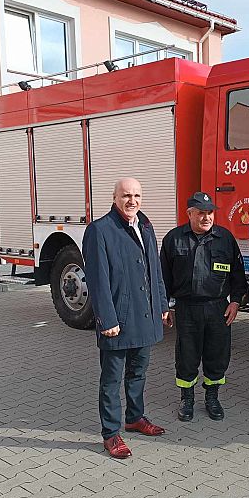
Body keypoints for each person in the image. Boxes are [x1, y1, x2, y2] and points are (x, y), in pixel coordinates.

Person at [82, 177, 169, 459]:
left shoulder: (145, 225)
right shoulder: (100, 230)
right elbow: (98, 281)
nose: (132, 201)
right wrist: (106, 319)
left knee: (138, 373)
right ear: (114, 197)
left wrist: (163, 304)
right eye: (126, 195)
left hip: (145, 316)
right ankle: (110, 433)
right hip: (117, 321)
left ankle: (135, 417)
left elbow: (154, 269)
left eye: (137, 195)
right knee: (111, 379)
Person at [160, 192, 247, 422]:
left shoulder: (225, 238)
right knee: (187, 356)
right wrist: (164, 306)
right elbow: (163, 278)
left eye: (210, 213)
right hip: (187, 309)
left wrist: (236, 301)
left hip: (218, 308)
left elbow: (238, 276)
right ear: (189, 214)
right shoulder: (174, 239)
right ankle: (186, 399)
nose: (207, 217)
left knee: (217, 356)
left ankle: (212, 398)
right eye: (201, 213)